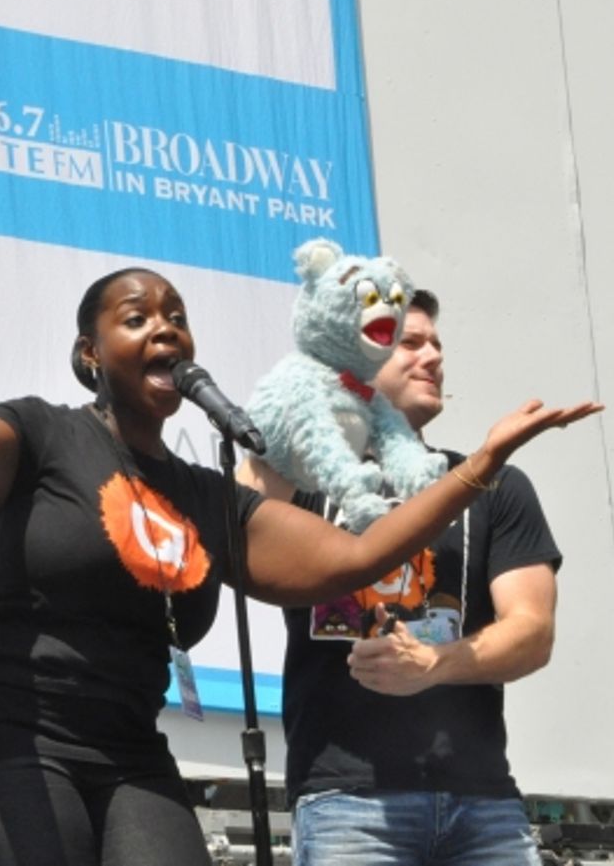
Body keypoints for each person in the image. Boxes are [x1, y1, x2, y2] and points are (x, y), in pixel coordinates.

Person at [0, 267, 598, 866]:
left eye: (177, 318)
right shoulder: (43, 432)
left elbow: (355, 558)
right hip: (2, 725)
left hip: (126, 746)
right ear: (90, 353)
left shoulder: (206, 495)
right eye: (137, 318)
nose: (165, 328)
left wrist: (480, 465)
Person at [239, 289, 562, 865]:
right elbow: (231, 532)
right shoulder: (308, 483)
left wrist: (434, 664)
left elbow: (533, 633)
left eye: (437, 344)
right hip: (347, 803)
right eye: (410, 343)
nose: (433, 357)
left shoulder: (497, 485)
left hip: (485, 804)